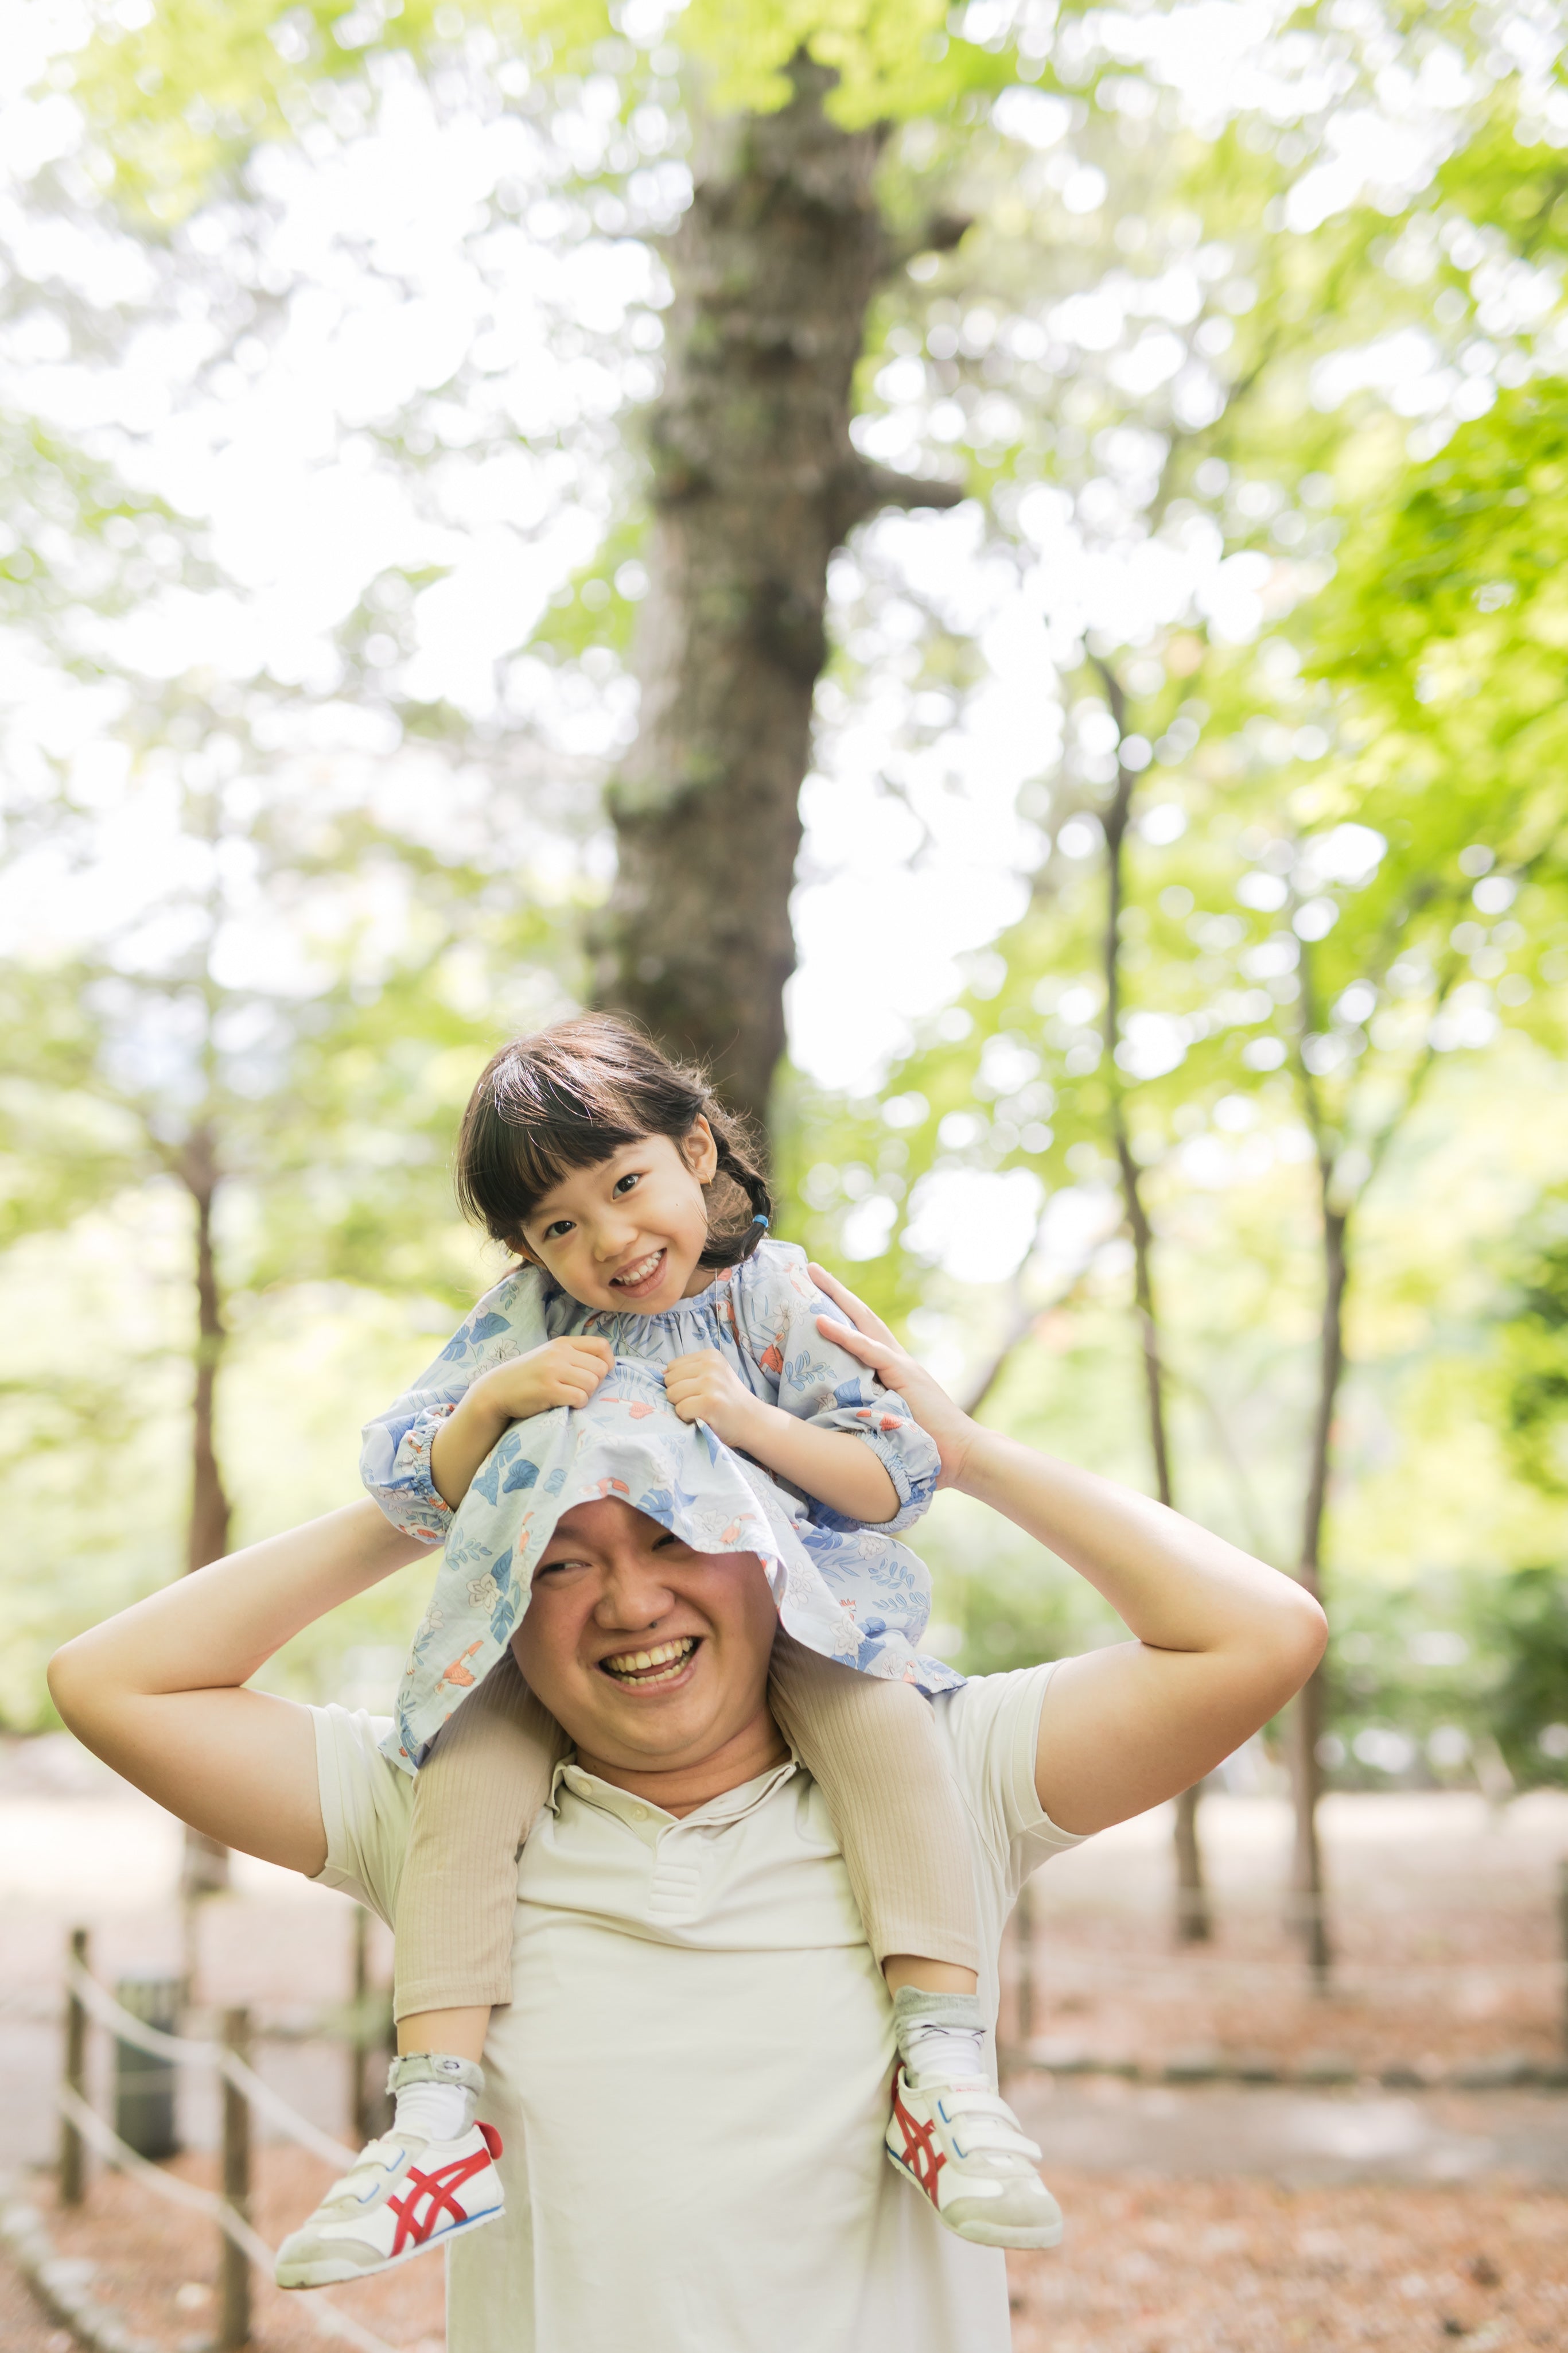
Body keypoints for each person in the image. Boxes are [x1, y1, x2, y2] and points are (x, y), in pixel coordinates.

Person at [48, 1270, 1326, 2353]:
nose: (627, 1600)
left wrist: (969, 1457)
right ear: (500, 1593)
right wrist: (447, 1490)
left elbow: (1257, 1635)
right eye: (558, 1558)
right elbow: (112, 1682)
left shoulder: (943, 1779)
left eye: (671, 1531)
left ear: (772, 1549)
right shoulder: (442, 1818)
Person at [303, 1012, 1053, 2280]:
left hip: (788, 1604)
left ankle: (942, 2063)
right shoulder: (524, 1320)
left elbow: (890, 1476)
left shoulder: (774, 1297)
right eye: (556, 1224)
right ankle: (430, 2117)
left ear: (696, 1147)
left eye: (626, 1184)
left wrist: (753, 1421)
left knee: (886, 1738)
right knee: (462, 1786)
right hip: (550, 1627)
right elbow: (408, 1484)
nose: (607, 1240)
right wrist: (492, 1402)